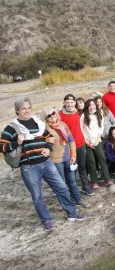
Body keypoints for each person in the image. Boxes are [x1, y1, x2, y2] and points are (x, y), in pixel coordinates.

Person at [0, 97, 84, 232]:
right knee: (37, 196)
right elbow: (1, 146)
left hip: (47, 162)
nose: (27, 111)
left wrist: (48, 148)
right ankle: (47, 220)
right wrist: (17, 142)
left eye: (28, 108)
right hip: (29, 167)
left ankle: (72, 213)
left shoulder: (37, 122)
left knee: (61, 188)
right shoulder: (12, 127)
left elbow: (48, 139)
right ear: (17, 110)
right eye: (23, 108)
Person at [41, 107, 88, 208]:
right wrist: (46, 141)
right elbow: (41, 144)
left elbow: (71, 141)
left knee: (72, 181)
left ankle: (77, 199)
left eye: (53, 113)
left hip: (68, 157)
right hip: (55, 160)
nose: (52, 116)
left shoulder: (63, 125)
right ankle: (68, 204)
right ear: (45, 118)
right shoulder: (45, 130)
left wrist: (73, 155)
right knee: (61, 184)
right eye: (48, 116)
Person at [58, 94, 94, 196]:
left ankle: (85, 186)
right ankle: (73, 191)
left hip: (80, 144)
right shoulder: (60, 115)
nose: (69, 104)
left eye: (71, 102)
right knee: (71, 169)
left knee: (82, 167)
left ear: (75, 103)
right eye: (67, 102)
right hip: (69, 146)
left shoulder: (78, 112)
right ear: (64, 103)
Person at [80, 99, 113, 189]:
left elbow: (101, 128)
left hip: (97, 141)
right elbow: (81, 131)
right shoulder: (83, 116)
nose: (92, 107)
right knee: (91, 162)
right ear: (87, 107)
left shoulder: (99, 114)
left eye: (93, 105)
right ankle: (94, 181)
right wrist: (87, 143)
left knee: (102, 159)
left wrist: (98, 140)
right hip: (87, 143)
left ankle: (107, 179)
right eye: (89, 105)